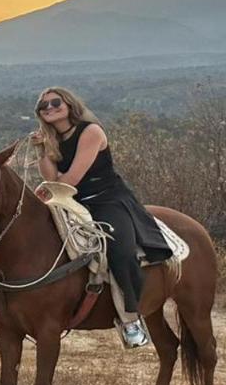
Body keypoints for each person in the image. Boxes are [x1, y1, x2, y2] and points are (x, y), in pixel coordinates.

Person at [29, 87, 171, 348]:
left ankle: (131, 320)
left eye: (55, 102)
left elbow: (68, 180)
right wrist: (43, 151)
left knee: (120, 250)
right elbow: (52, 180)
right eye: (43, 105)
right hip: (73, 202)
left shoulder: (91, 132)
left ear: (69, 104)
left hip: (108, 200)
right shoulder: (52, 140)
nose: (49, 107)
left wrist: (56, 182)